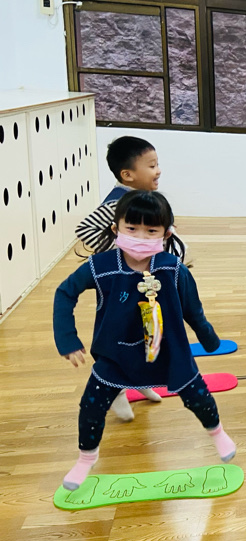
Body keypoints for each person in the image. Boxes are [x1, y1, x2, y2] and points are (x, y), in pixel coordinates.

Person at [54, 190, 235, 490]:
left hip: (170, 353)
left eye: (151, 230)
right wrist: (67, 339)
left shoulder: (172, 268)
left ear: (166, 233)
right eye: (131, 228)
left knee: (199, 398)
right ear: (116, 228)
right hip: (115, 356)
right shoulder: (101, 266)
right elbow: (64, 292)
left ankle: (217, 433)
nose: (140, 236)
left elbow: (193, 309)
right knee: (91, 406)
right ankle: (86, 458)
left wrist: (209, 340)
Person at [73, 136, 177, 416]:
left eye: (157, 164)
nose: (158, 171)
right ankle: (116, 389)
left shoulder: (143, 200)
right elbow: (85, 229)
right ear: (128, 175)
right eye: (151, 166)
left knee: (148, 332)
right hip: (121, 286)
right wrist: (118, 252)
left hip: (145, 283)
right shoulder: (118, 203)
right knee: (120, 336)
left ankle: (139, 381)